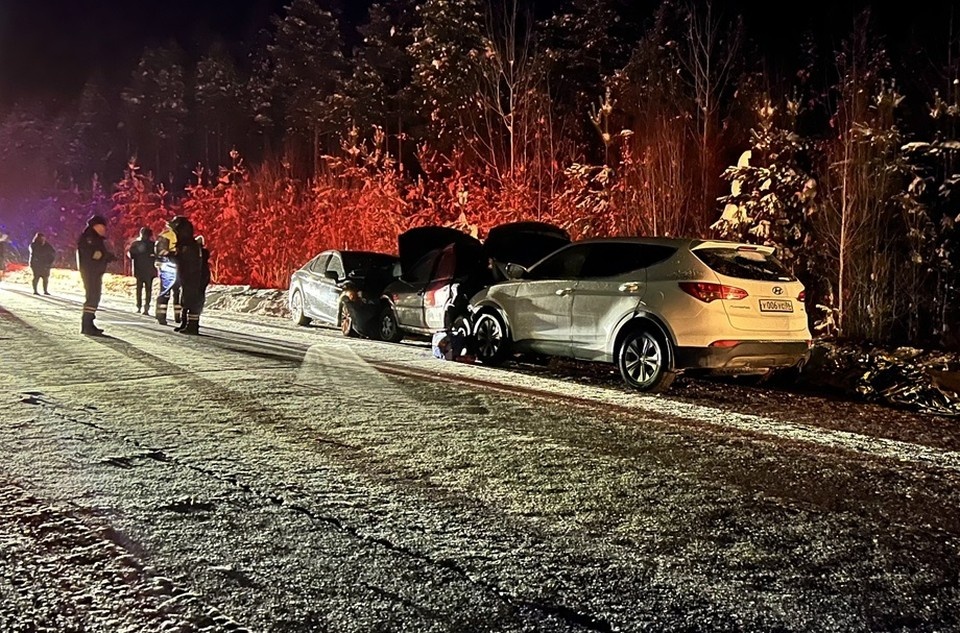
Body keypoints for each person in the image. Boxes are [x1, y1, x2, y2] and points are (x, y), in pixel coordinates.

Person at [76, 215, 116, 335]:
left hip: (94, 271)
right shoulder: (89, 238)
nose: (104, 229)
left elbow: (99, 254)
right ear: (96, 226)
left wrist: (107, 256)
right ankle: (87, 325)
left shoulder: (94, 238)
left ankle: (89, 323)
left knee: (94, 297)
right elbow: (94, 255)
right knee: (92, 297)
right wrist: (106, 256)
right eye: (103, 226)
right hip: (90, 271)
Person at [168, 216, 203, 335]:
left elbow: (187, 261)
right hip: (189, 275)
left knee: (192, 300)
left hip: (193, 276)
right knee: (186, 299)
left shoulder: (189, 246)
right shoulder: (186, 244)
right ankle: (185, 323)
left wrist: (174, 257)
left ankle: (192, 325)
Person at [154, 219, 181, 326]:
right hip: (168, 267)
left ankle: (178, 316)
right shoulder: (166, 236)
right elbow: (160, 251)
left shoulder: (182, 236)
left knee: (178, 293)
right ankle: (161, 315)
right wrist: (172, 255)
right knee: (165, 292)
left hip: (178, 266)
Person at [127, 227, 157, 315]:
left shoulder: (136, 244)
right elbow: (156, 256)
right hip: (150, 270)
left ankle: (138, 306)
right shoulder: (153, 245)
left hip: (138, 269)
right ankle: (146, 307)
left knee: (139, 288)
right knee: (148, 289)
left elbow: (131, 255)